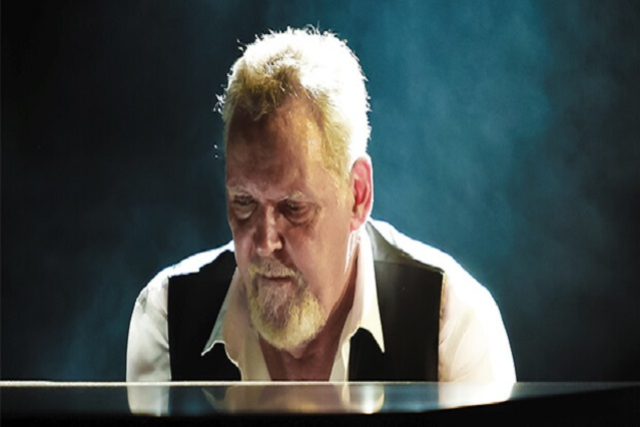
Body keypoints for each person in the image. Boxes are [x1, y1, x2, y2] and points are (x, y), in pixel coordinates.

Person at [126, 27, 516, 383]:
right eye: (243, 202)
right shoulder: (167, 315)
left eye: (293, 208)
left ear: (358, 195)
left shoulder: (452, 325)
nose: (264, 242)